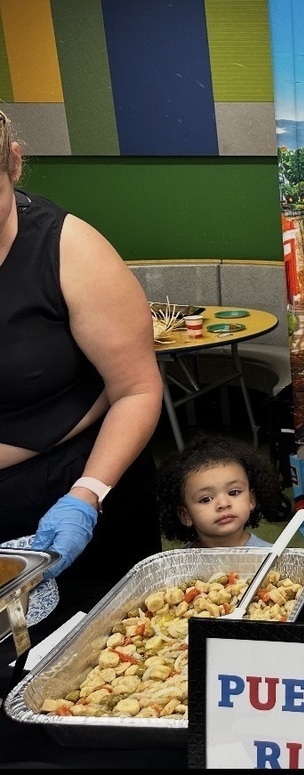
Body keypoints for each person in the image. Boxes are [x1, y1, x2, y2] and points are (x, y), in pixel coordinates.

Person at [0, 111, 165, 618]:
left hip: (69, 488)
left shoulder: (69, 250)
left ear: (12, 162)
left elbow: (137, 389)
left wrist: (87, 494)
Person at [156, 433, 282, 548]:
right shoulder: (180, 564)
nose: (223, 504)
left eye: (233, 492)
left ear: (251, 499)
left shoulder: (270, 557)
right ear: (186, 515)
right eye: (206, 499)